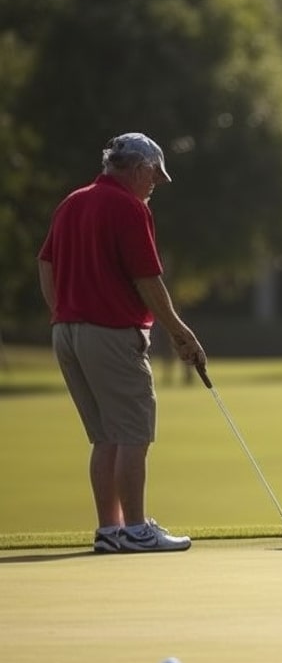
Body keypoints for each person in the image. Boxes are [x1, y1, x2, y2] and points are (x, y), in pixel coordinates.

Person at [38, 132, 206, 553]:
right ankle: (135, 528)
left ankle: (110, 531)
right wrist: (180, 333)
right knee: (133, 432)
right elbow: (147, 280)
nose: (155, 186)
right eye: (153, 177)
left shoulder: (72, 202)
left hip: (67, 332)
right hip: (109, 332)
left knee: (106, 436)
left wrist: (61, 310)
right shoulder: (128, 207)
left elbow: (46, 263)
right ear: (136, 169)